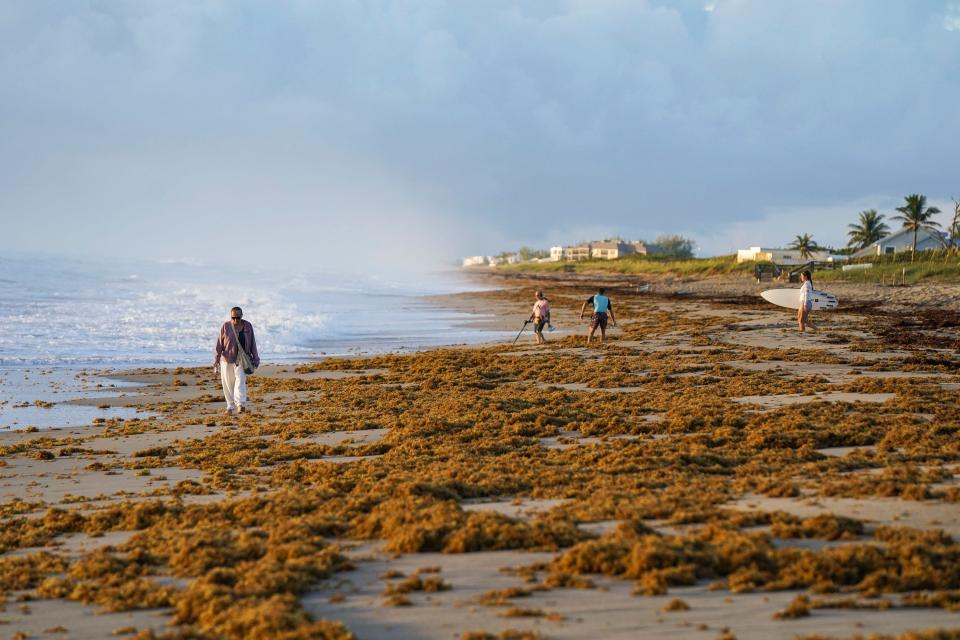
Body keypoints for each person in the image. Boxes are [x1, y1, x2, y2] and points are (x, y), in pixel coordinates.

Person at [214, 306, 260, 414]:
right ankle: (230, 406)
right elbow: (219, 344)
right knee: (228, 384)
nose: (235, 320)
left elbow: (253, 343)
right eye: (233, 317)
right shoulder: (225, 326)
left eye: (238, 318)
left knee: (240, 381)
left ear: (242, 316)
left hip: (242, 359)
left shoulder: (248, 326)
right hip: (227, 359)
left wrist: (256, 358)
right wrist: (216, 359)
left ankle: (240, 404)